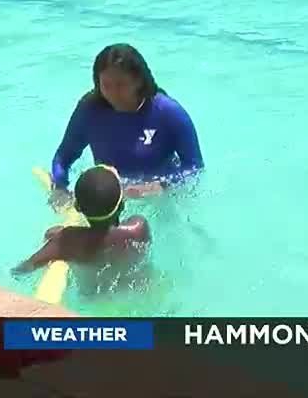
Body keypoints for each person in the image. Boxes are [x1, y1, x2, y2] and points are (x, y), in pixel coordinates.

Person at [50, 44, 202, 198]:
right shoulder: (89, 111)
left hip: (161, 199)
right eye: (106, 85)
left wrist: (161, 186)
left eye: (121, 85)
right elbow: (63, 157)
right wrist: (59, 187)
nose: (114, 93)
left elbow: (195, 167)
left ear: (139, 81)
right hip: (109, 199)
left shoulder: (168, 112)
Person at [13, 165, 150, 281]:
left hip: (93, 300)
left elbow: (24, 268)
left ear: (77, 207)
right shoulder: (138, 227)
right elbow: (111, 234)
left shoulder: (66, 240)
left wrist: (59, 235)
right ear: (122, 205)